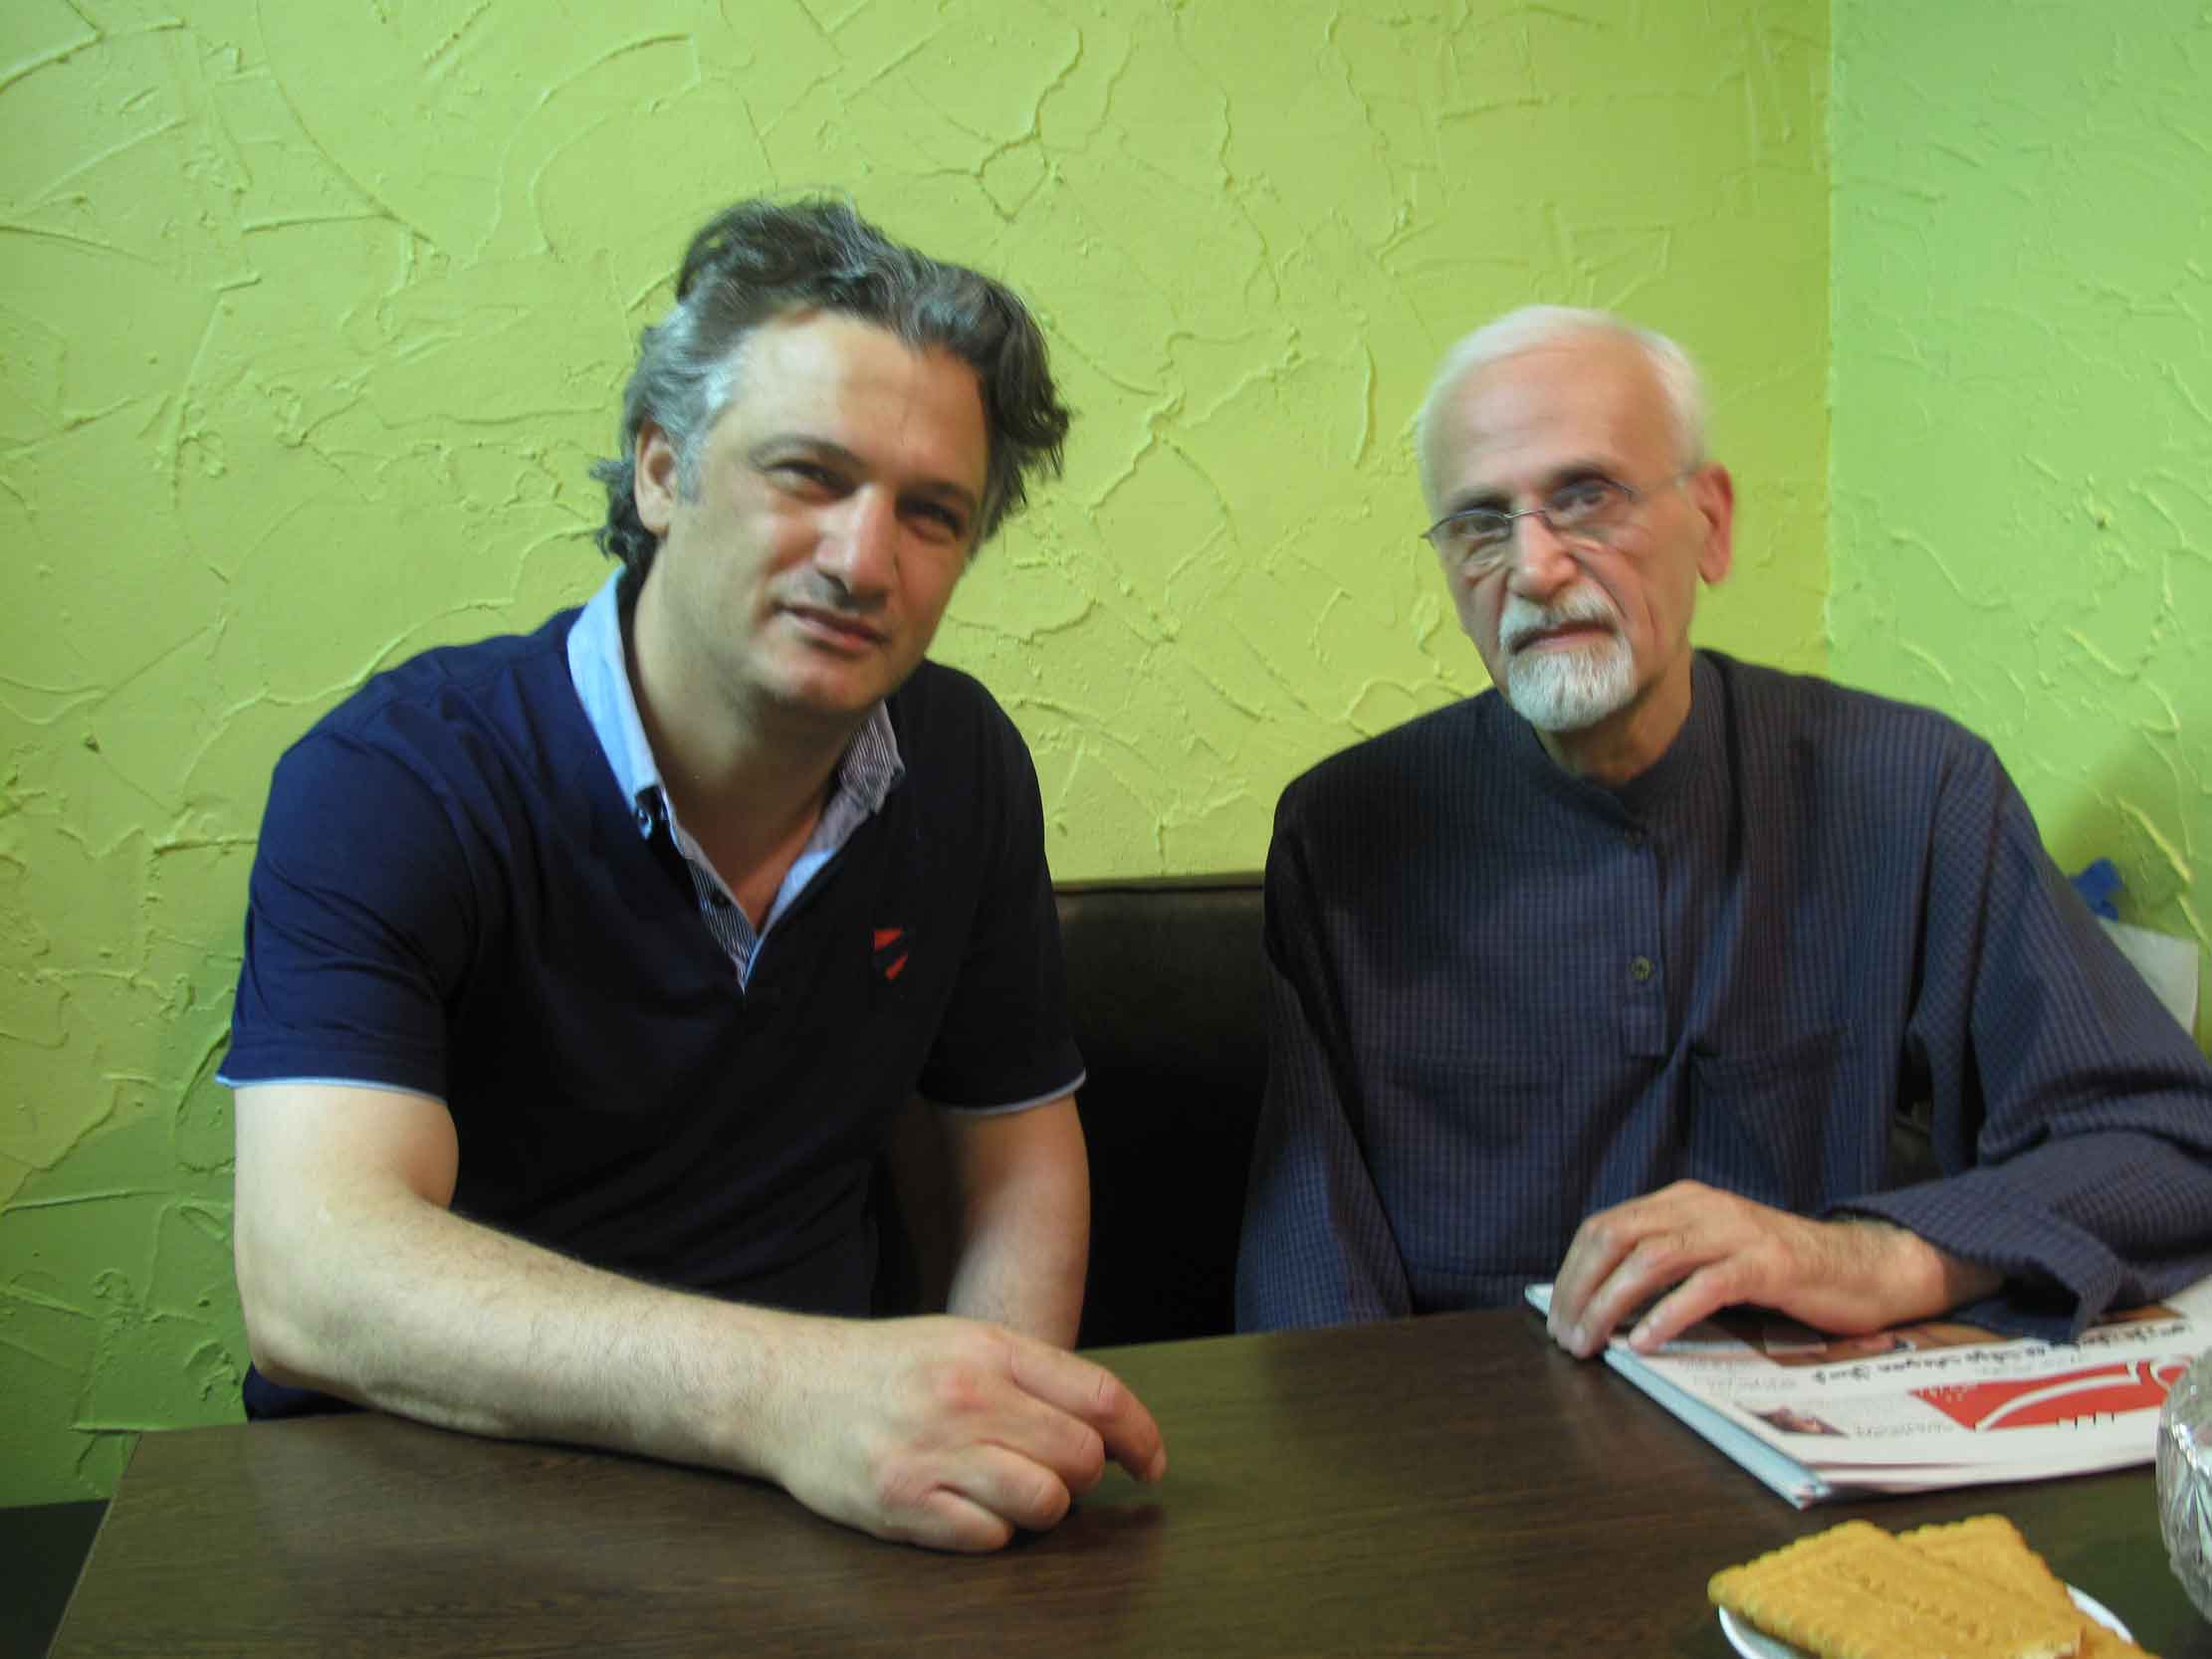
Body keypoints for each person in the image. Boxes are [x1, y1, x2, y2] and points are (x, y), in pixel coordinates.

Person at [223, 197, 1165, 1553]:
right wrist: (791, 1394)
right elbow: (314, 1275)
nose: (862, 559)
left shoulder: (958, 763)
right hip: (430, 1510)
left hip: (831, 1510)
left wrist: (983, 1443)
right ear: (662, 472)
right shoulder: (399, 776)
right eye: (808, 474)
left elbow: (1011, 1163)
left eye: (931, 513)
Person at [1235, 305, 2212, 1358]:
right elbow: (1310, 1303)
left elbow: (2163, 1146)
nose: (1534, 566)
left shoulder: (1911, 792)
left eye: (1586, 496)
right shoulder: (1349, 841)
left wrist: (1866, 1258)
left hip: (1816, 1429)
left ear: (1711, 522)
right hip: (1476, 1442)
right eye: (1479, 521)